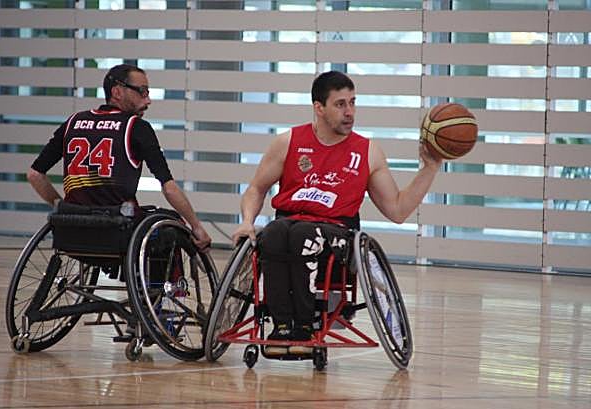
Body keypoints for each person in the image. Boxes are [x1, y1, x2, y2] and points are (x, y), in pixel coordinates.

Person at [232, 71, 442, 355]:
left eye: (352, 103)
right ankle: (281, 326)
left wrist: (429, 168)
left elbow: (397, 209)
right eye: (340, 104)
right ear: (319, 108)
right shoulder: (288, 142)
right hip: (288, 223)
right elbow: (256, 189)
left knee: (301, 234)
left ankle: (304, 327)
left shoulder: (367, 152)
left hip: (336, 230)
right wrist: (247, 222)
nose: (349, 112)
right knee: (273, 233)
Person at [27, 64, 211, 252]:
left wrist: (63, 207)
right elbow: (169, 188)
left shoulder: (73, 122)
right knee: (171, 224)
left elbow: (35, 175)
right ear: (117, 92)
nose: (148, 100)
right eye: (142, 91)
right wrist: (196, 226)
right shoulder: (136, 127)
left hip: (73, 231)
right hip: (117, 231)